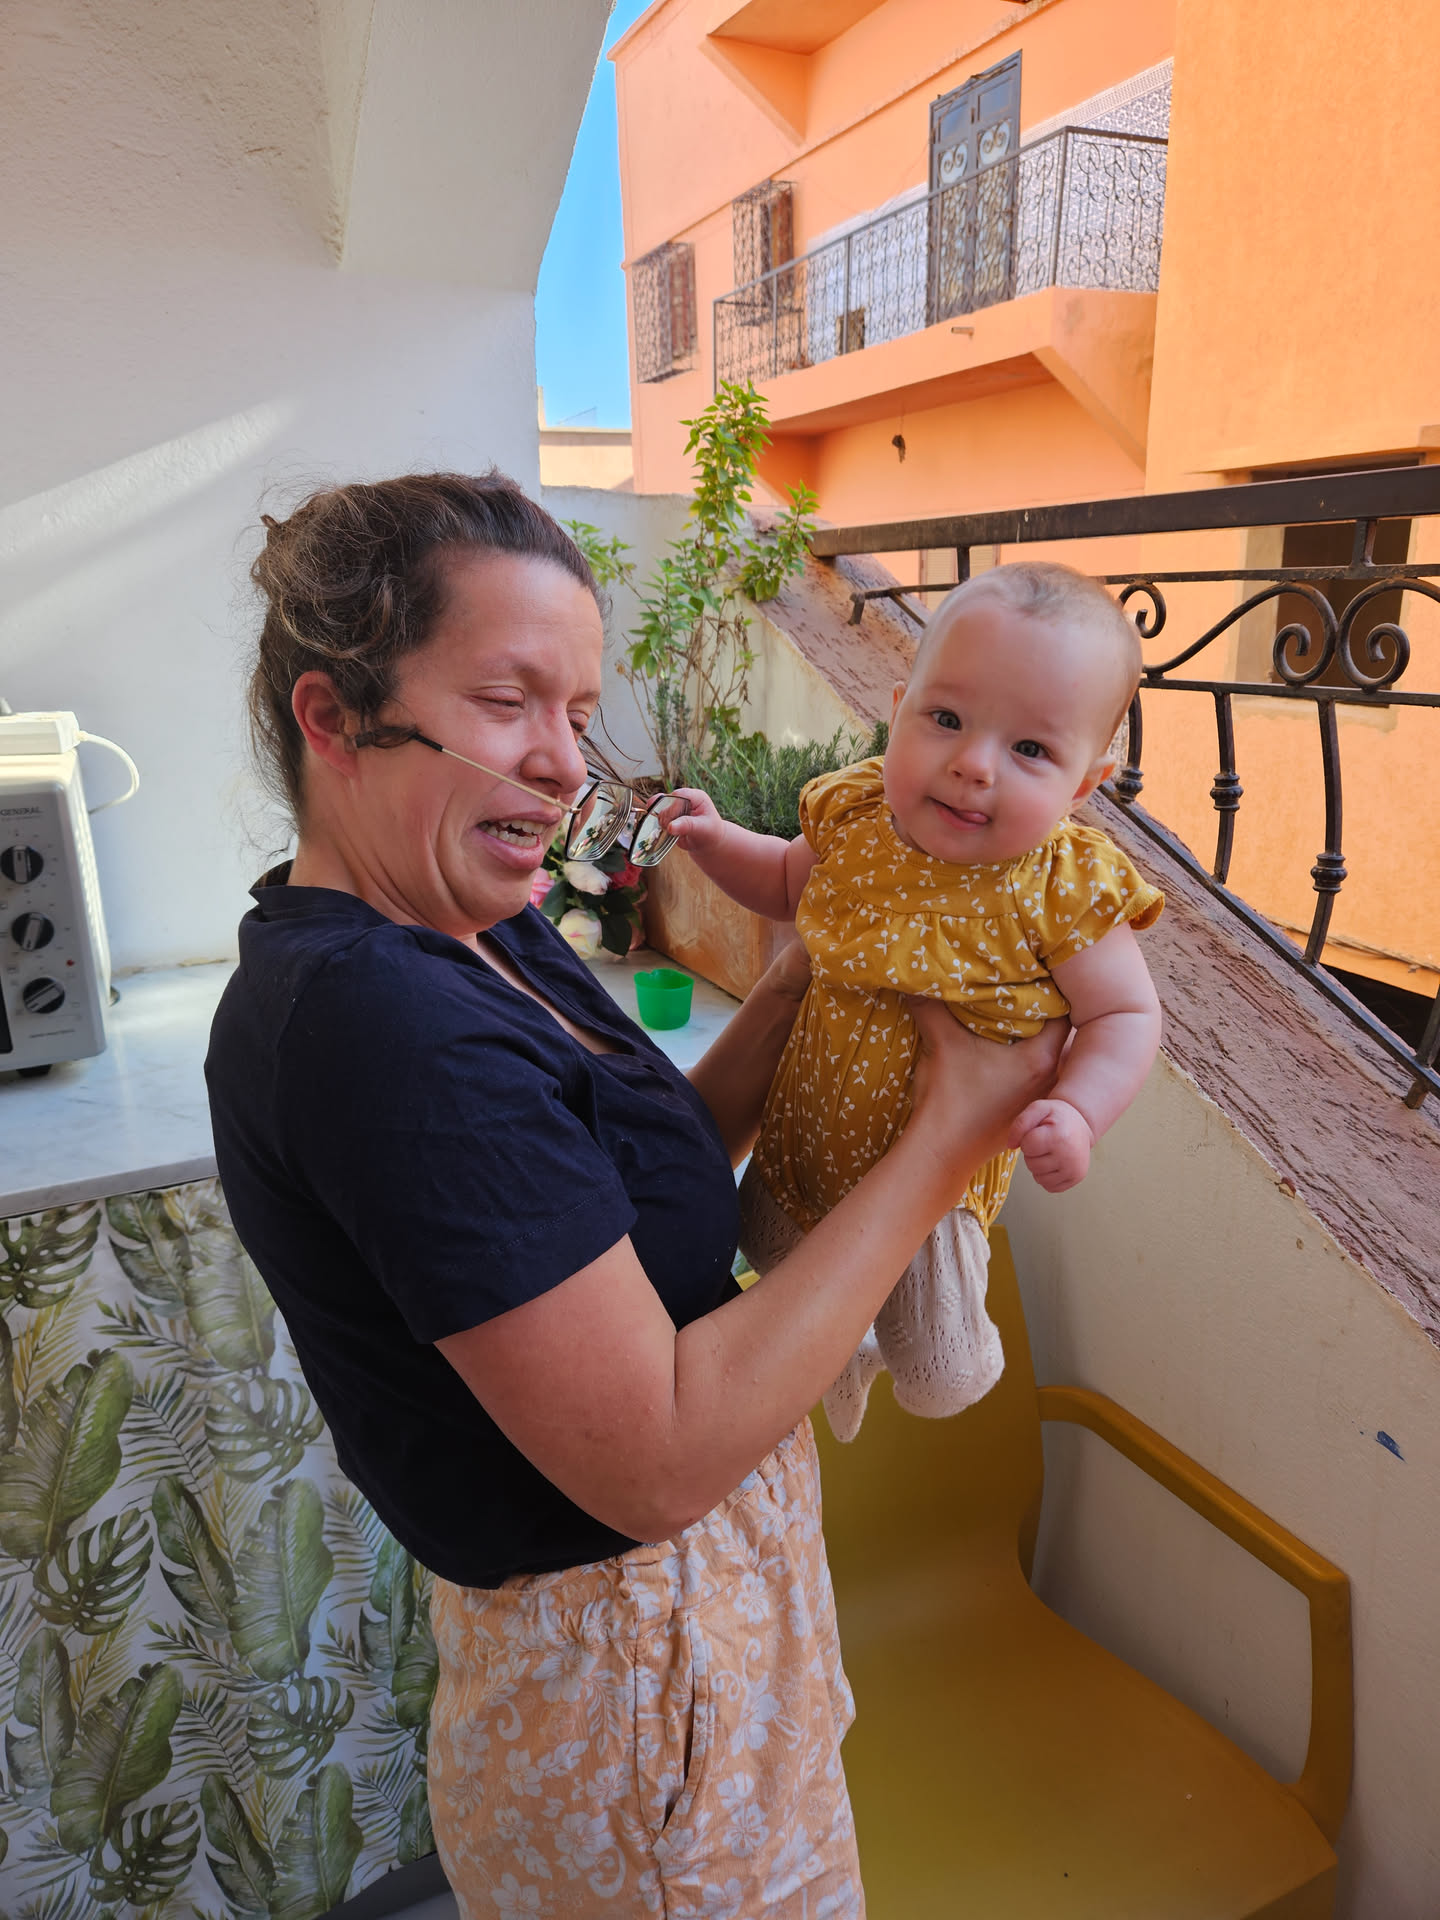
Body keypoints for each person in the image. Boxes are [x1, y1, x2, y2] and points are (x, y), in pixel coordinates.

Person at [204, 473, 1064, 1920]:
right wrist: (945, 1142)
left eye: (578, 712)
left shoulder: (480, 922)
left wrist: (812, 968)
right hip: (636, 1692)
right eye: (507, 703)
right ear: (333, 717)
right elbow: (653, 1460)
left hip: (715, 1639)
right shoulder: (376, 1024)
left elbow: (644, 1181)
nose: (562, 764)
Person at [663, 563, 1164, 1442]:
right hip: (808, 1126)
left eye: (1030, 750)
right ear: (899, 711)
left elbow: (1124, 1016)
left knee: (940, 1373)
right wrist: (711, 841)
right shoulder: (859, 817)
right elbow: (782, 880)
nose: (973, 765)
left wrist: (1080, 1112)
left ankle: (871, 1350)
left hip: (931, 1184)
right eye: (947, 720)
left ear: (1084, 785)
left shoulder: (1063, 887)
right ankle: (842, 1352)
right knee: (770, 1259)